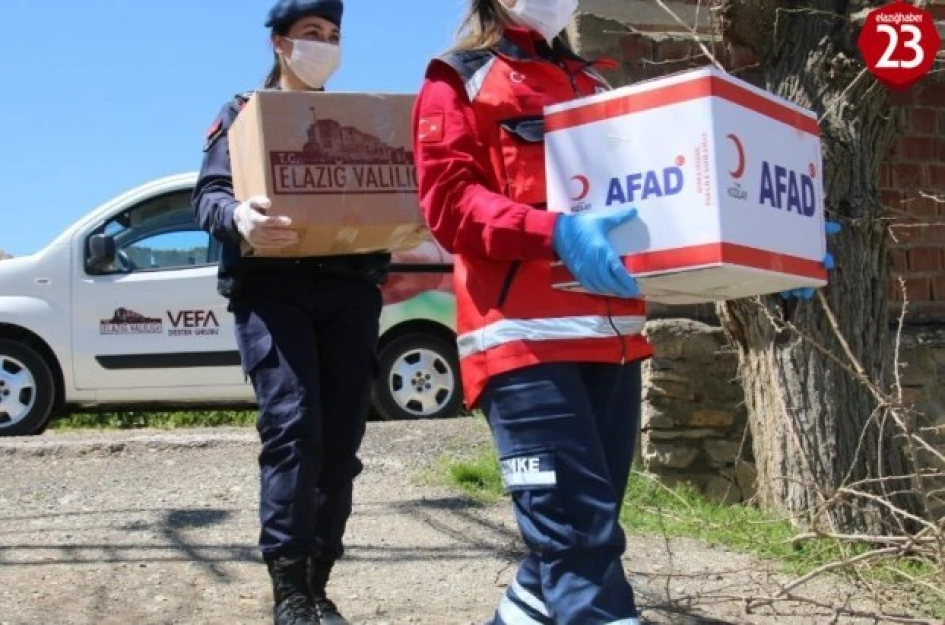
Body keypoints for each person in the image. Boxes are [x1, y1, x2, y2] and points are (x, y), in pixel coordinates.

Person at [411, 1, 837, 624]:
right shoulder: (458, 78)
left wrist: (778, 244)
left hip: (612, 343)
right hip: (523, 344)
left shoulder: (594, 85)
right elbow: (447, 203)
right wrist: (554, 233)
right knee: (580, 543)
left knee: (568, 540)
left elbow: (665, 209)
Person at [191, 2, 390, 624]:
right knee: (294, 427)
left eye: (333, 36)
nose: (325, 45)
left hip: (350, 287)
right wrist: (239, 219)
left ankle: (318, 581)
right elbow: (209, 196)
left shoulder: (354, 121)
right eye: (312, 35)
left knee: (340, 441)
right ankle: (289, 590)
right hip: (273, 289)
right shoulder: (243, 113)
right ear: (280, 43)